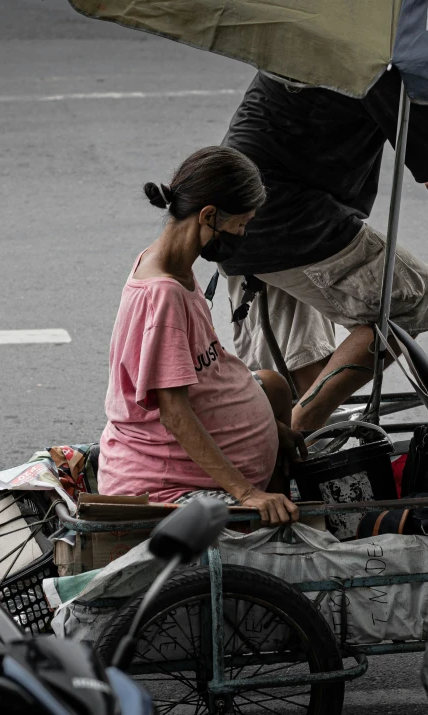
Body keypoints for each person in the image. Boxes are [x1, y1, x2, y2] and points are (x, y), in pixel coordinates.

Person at [220, 69, 428, 430]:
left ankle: (295, 448)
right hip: (285, 218)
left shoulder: (316, 30)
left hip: (236, 211)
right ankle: (303, 425)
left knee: (303, 375)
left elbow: (348, 114)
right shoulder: (375, 53)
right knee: (415, 296)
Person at [97, 146, 306, 526]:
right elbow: (175, 414)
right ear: (208, 215)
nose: (242, 234)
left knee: (273, 386)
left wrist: (267, 431)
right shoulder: (163, 296)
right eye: (241, 224)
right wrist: (247, 492)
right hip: (165, 485)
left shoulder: (175, 266)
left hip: (207, 453)